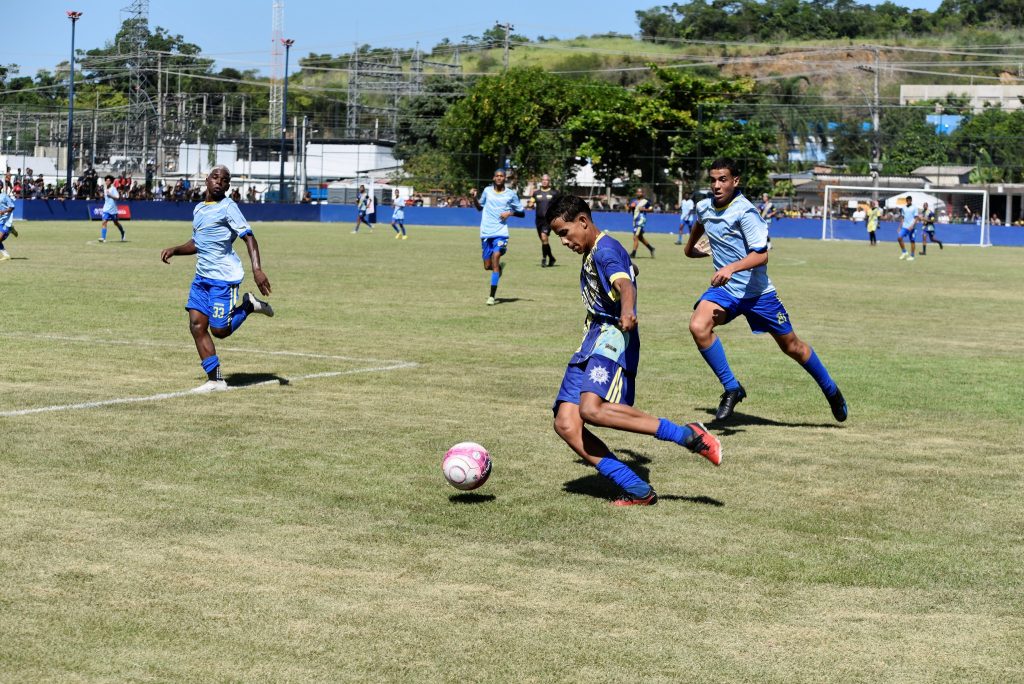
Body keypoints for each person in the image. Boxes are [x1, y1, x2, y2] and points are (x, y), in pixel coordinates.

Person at [545, 194, 721, 506]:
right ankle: (637, 489)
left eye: (564, 233)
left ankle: (687, 434)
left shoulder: (606, 250)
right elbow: (626, 272)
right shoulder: (599, 248)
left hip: (612, 337)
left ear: (583, 222)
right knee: (566, 423)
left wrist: (627, 309)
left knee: (591, 410)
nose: (563, 241)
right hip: (592, 338)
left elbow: (624, 283)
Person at [683, 158, 846, 423]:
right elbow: (702, 221)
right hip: (726, 292)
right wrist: (690, 248)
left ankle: (831, 390)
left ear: (735, 181)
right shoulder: (704, 207)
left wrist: (731, 268)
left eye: (722, 179)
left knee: (792, 347)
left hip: (759, 294)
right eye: (712, 179)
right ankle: (732, 388)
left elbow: (761, 256)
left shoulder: (745, 212)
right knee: (698, 326)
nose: (716, 185)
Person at [160, 166, 274, 393]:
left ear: (228, 186)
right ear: (207, 180)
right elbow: (197, 243)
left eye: (224, 180)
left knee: (220, 331)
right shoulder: (199, 209)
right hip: (202, 278)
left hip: (224, 279)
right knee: (196, 325)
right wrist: (176, 249)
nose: (219, 182)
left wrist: (257, 269)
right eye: (215, 177)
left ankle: (248, 306)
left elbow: (249, 237)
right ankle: (216, 379)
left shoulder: (229, 207)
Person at [471, 169, 524, 306]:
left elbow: (522, 213)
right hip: (486, 233)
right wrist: (474, 198)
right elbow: (479, 208)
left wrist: (509, 213)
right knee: (488, 266)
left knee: (496, 257)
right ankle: (498, 269)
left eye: (502, 176)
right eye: (497, 176)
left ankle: (491, 297)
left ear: (505, 178)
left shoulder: (511, 194)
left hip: (501, 233)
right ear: (493, 178)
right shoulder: (487, 191)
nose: (499, 178)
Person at [531, 174, 559, 267]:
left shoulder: (554, 193)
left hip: (548, 220)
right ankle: (551, 258)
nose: (544, 181)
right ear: (541, 181)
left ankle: (544, 259)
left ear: (549, 181)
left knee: (544, 237)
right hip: (538, 220)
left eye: (546, 180)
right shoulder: (536, 193)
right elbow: (531, 202)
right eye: (543, 180)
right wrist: (530, 204)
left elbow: (559, 205)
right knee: (544, 241)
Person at [628, 188, 655, 258]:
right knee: (640, 237)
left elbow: (652, 209)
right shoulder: (633, 201)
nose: (639, 193)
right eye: (638, 192)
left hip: (641, 220)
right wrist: (631, 207)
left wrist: (644, 209)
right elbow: (628, 211)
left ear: (643, 193)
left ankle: (633, 253)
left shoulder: (646, 201)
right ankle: (651, 248)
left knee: (635, 236)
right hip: (635, 220)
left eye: (640, 192)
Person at [99, 175, 126, 243]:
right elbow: (106, 198)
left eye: (108, 180)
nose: (107, 182)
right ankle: (103, 238)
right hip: (106, 209)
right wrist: (102, 195)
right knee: (104, 222)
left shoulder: (113, 189)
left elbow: (117, 197)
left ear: (111, 182)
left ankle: (122, 232)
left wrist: (110, 195)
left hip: (113, 210)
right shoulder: (105, 189)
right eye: (106, 180)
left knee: (116, 223)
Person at [897, 195, 920, 261]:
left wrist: (912, 226)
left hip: (912, 227)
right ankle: (904, 252)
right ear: (906, 201)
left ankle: (912, 256)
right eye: (907, 200)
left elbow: (916, 218)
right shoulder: (904, 208)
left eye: (909, 200)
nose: (908, 201)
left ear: (911, 201)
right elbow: (902, 218)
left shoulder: (914, 208)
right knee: (899, 238)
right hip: (905, 226)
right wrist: (899, 227)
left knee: (912, 241)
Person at [0, 187, 17, 261]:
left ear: (0, 187)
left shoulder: (4, 196)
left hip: (6, 221)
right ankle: (6, 255)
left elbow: (12, 207)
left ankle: (10, 229)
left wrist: (3, 212)